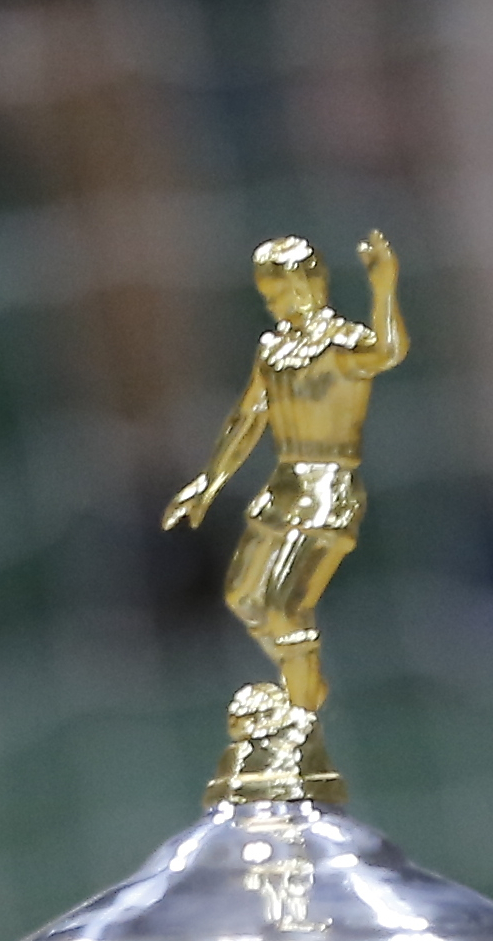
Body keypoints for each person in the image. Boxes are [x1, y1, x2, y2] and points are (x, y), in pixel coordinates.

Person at [162, 231, 408, 725]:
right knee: (242, 596)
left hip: (328, 488)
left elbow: (387, 352)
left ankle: (300, 717)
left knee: (283, 607)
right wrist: (207, 484)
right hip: (285, 485)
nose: (273, 303)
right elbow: (248, 418)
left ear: (309, 284)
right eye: (266, 295)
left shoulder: (341, 344)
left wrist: (384, 287)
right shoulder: (273, 350)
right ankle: (305, 684)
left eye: (279, 291)